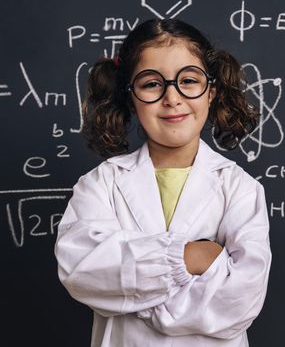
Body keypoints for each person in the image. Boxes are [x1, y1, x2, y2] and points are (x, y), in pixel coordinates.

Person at [54, 18, 271, 347]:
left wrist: (136, 295)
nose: (173, 98)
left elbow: (240, 299)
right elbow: (81, 271)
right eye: (152, 84)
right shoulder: (101, 184)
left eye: (188, 80)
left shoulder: (239, 188)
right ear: (130, 98)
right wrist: (189, 258)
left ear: (211, 92)